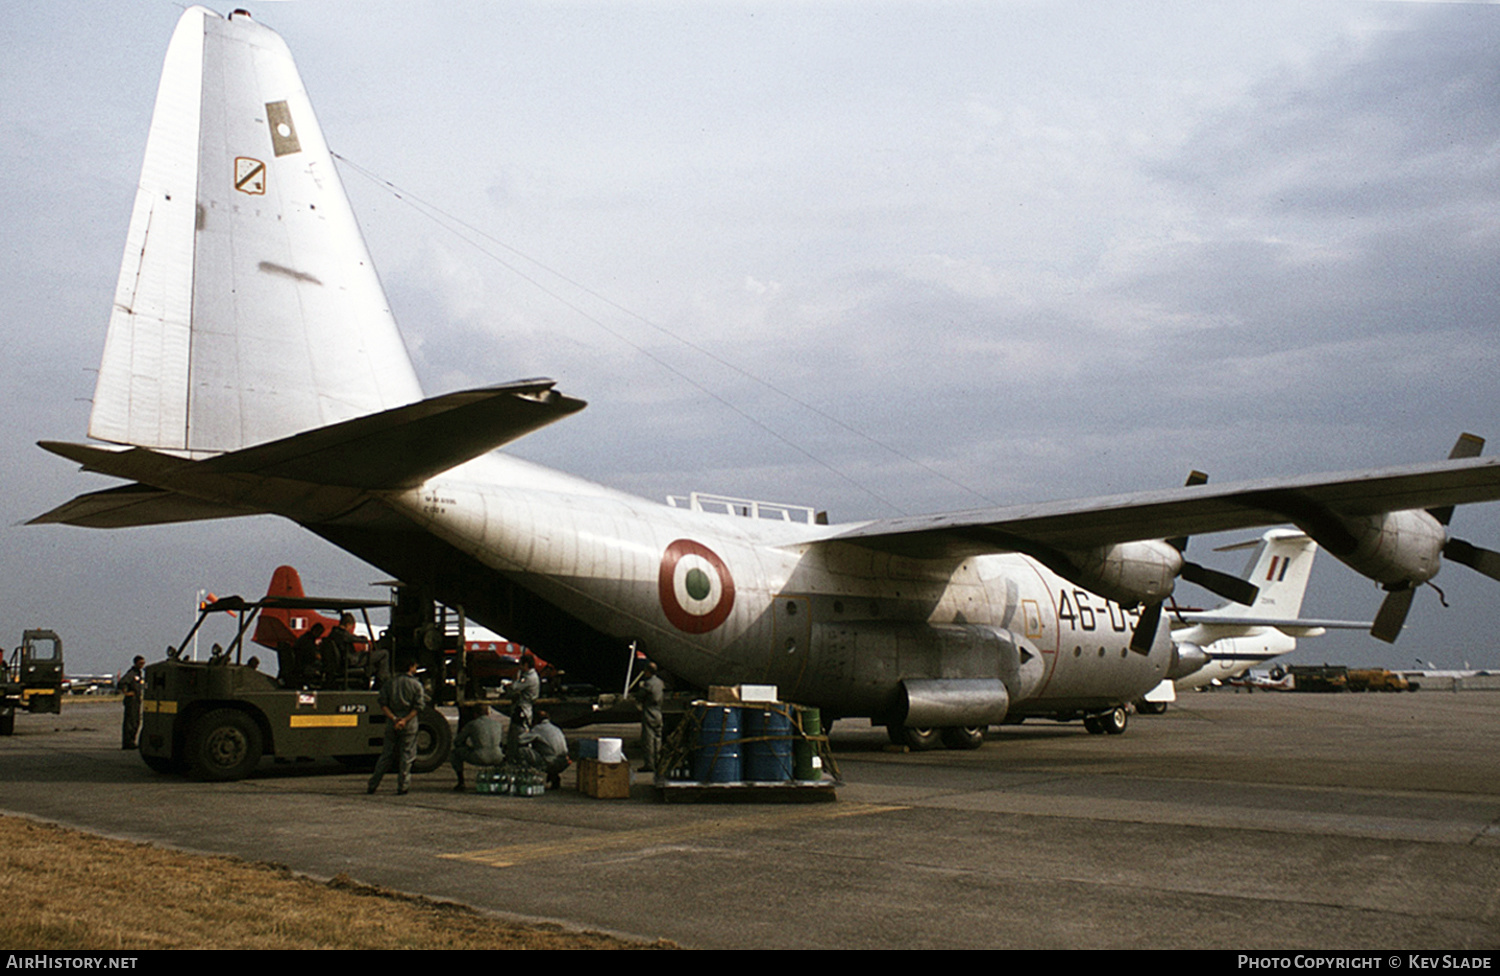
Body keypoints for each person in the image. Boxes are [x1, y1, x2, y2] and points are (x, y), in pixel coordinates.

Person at [366, 656, 428, 795]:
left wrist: (394, 719)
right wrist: (404, 720)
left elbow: (383, 704)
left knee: (386, 755)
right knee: (407, 756)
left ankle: (373, 784)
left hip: (392, 723)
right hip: (409, 723)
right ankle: (403, 786)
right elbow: (418, 707)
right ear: (411, 667)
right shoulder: (416, 685)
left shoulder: (389, 683)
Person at [450, 703, 506, 792]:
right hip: (498, 757)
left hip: (480, 756)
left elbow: (458, 741)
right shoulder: (498, 724)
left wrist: (468, 747)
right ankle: (500, 780)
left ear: (475, 714)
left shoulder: (472, 724)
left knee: (455, 753)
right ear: (488, 713)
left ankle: (461, 782)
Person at [517, 710, 570, 789]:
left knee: (522, 751)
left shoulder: (538, 728)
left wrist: (525, 731)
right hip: (564, 762)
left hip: (550, 762)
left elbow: (520, 739)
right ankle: (554, 776)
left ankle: (527, 779)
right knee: (549, 752)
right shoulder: (556, 728)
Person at [505, 651, 541, 759]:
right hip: (524, 708)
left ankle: (520, 758)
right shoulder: (531, 675)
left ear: (526, 665)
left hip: (523, 710)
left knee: (519, 736)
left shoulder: (529, 678)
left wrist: (514, 679)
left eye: (521, 665)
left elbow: (514, 687)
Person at [633, 661, 666, 773]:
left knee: (648, 740)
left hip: (649, 712)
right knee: (658, 739)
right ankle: (658, 762)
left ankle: (649, 764)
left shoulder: (647, 684)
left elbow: (640, 696)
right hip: (658, 712)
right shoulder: (660, 682)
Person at [118, 655, 145, 749]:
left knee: (136, 721)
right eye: (140, 663)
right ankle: (127, 742)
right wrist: (126, 692)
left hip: (137, 700)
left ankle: (132, 741)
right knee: (130, 722)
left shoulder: (139, 674)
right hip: (131, 700)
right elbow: (122, 682)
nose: (142, 665)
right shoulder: (132, 674)